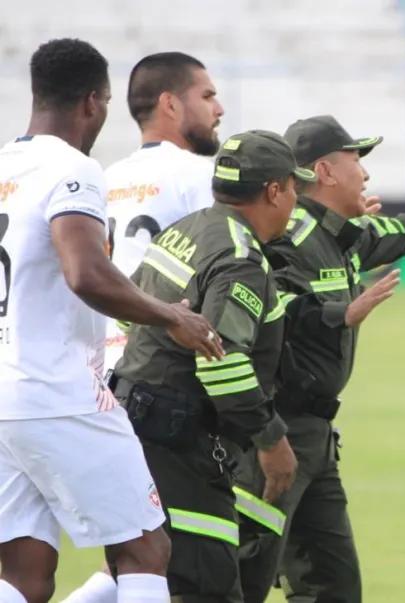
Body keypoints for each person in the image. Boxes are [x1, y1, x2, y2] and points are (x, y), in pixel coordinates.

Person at [0, 38, 222, 603]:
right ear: (94, 102)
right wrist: (171, 315)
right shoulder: (74, 169)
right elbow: (86, 274)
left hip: (4, 394)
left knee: (22, 573)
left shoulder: (4, 164)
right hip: (59, 390)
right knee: (145, 550)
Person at [233, 114, 405, 603]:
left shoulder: (341, 234)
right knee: (240, 583)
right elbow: (268, 308)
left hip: (317, 440)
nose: (364, 172)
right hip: (277, 434)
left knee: (334, 588)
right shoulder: (286, 235)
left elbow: (387, 235)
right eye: (356, 159)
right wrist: (342, 313)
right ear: (324, 170)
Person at [106, 130, 311, 603]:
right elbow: (222, 363)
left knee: (146, 577)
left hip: (136, 424)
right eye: (293, 188)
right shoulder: (240, 258)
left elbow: (128, 307)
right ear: (274, 191)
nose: (296, 200)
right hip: (181, 443)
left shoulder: (187, 227)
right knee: (204, 588)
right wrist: (271, 438)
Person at [102, 51, 224, 370]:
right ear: (170, 104)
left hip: (106, 362)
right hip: (164, 364)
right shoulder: (198, 173)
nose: (219, 109)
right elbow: (223, 269)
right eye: (208, 96)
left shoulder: (107, 177)